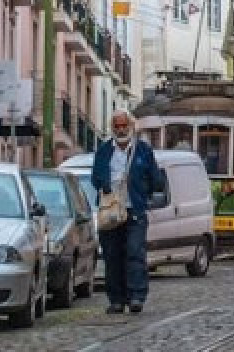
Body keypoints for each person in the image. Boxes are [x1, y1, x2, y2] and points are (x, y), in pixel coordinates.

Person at [91, 110, 163, 314]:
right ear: (112, 128)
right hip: (110, 212)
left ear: (131, 127)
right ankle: (116, 300)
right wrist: (106, 187)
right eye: (117, 126)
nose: (121, 130)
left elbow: (155, 179)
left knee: (134, 253)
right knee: (112, 256)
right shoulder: (104, 151)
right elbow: (95, 177)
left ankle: (136, 296)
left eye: (124, 126)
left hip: (135, 212)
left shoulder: (143, 151)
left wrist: (141, 192)